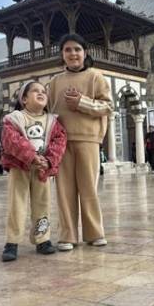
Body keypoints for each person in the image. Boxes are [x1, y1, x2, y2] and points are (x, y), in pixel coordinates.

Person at [46, 33, 114, 249]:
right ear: (62, 54)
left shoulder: (96, 77)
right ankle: (67, 236)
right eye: (67, 50)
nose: (73, 53)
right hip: (61, 143)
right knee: (64, 191)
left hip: (88, 140)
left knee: (88, 189)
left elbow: (108, 107)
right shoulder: (54, 82)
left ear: (85, 53)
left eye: (77, 49)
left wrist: (82, 103)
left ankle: (94, 233)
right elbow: (48, 112)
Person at [0, 81, 68, 260]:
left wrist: (49, 160)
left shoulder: (52, 121)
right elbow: (11, 140)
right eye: (35, 91)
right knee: (17, 204)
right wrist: (31, 156)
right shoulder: (14, 118)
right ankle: (12, 242)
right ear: (24, 99)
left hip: (42, 170)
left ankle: (42, 239)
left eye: (43, 91)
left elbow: (60, 141)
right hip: (19, 168)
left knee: (43, 204)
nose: (41, 93)